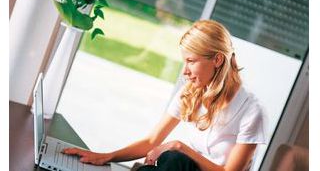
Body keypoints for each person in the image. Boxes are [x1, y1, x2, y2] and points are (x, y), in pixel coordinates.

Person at [63, 20, 266, 171]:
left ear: (218, 60)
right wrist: (106, 156)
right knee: (160, 165)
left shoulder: (251, 111)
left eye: (191, 61)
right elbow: (152, 141)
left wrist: (178, 146)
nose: (185, 71)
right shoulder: (192, 91)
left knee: (174, 158)